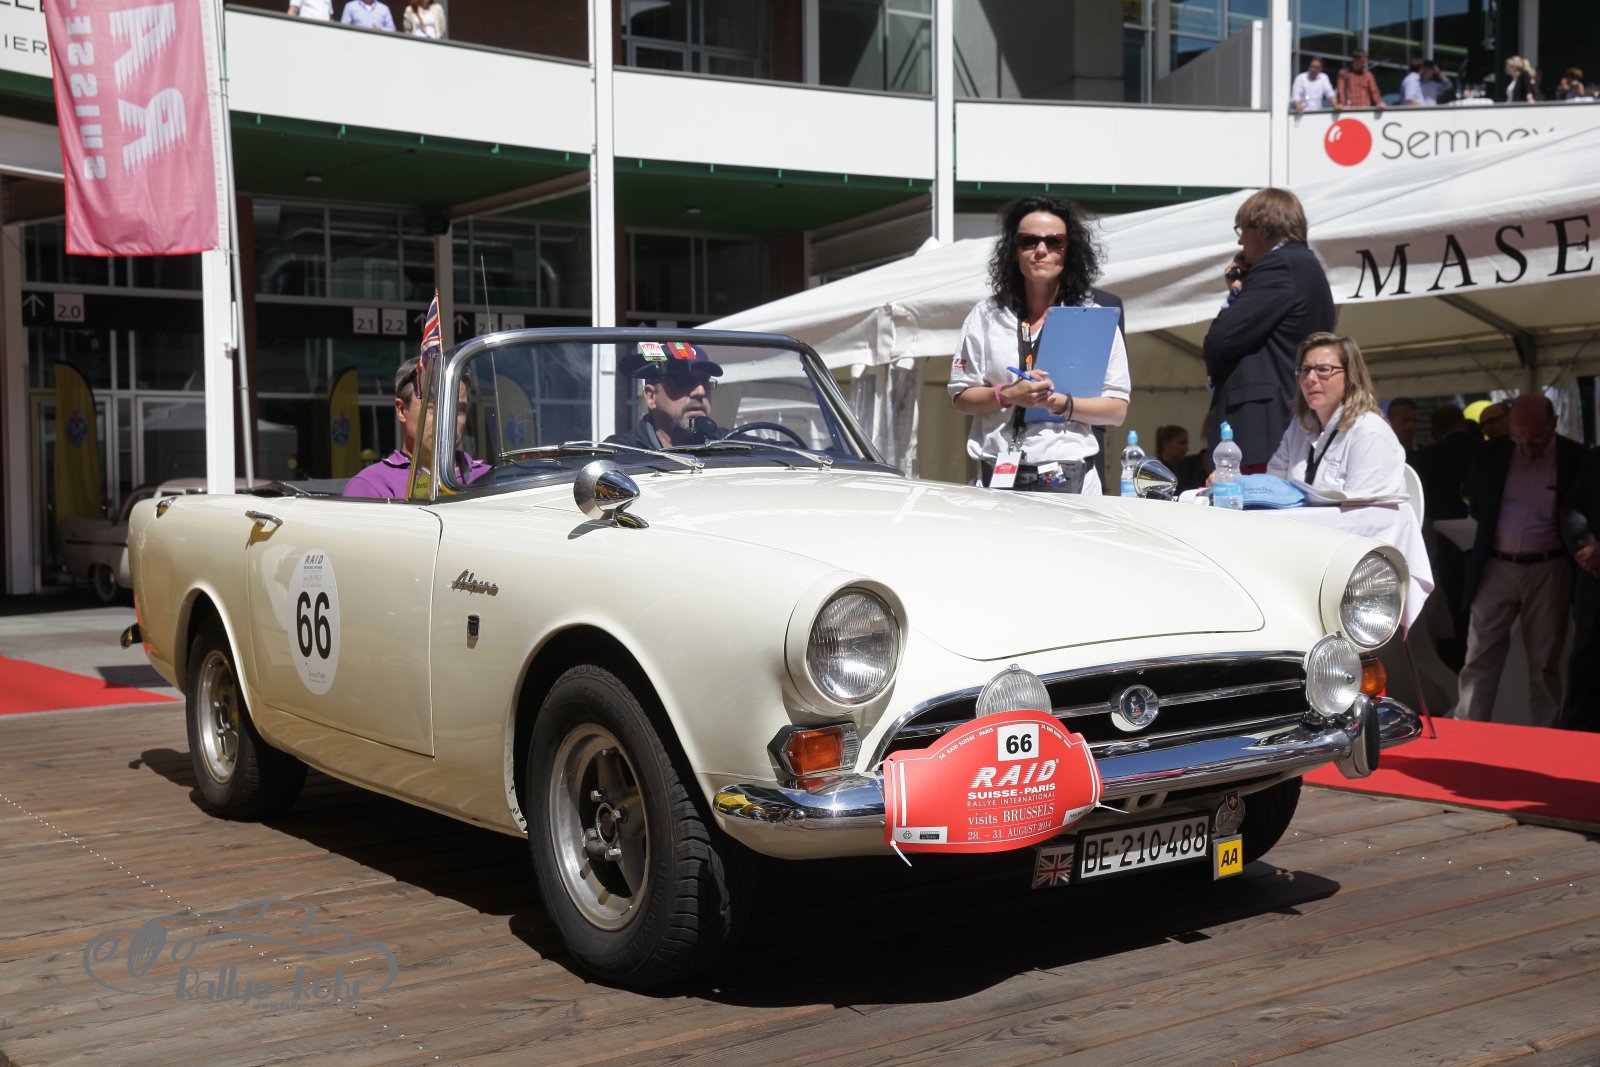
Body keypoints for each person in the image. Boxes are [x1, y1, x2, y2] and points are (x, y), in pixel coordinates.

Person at [949, 195, 1130, 495]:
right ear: (1014, 250)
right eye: (1029, 241)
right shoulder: (986, 315)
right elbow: (961, 398)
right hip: (998, 476)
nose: (1041, 250)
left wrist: (1056, 403)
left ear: (1069, 250)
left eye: (1054, 242)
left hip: (1069, 478)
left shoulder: (1094, 317)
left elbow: (1116, 410)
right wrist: (1008, 394)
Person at [1455, 394, 1584, 725]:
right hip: (1496, 566)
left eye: (1536, 440)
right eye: (1519, 439)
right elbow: (1478, 504)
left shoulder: (1574, 456)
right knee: (1479, 657)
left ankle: (1546, 739)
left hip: (1550, 568)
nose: (1526, 448)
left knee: (1546, 663)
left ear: (1554, 424)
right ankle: (1468, 733)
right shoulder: (1492, 453)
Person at [1201, 187, 1336, 472]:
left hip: (1261, 428)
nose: (1239, 241)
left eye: (1242, 230)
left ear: (1261, 229)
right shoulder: (1306, 265)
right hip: (1284, 419)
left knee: (1253, 498)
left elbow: (1221, 340)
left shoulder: (1279, 265)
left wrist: (1236, 293)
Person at [1265, 334, 1406, 500]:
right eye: (1305, 369)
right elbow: (1271, 489)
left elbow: (1361, 510)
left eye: (1323, 369)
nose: (1310, 378)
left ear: (1350, 377)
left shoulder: (1369, 432)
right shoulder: (1298, 427)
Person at [344, 358, 489, 498]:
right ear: (402, 410)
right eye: (433, 407)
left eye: (458, 409)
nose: (447, 419)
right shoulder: (370, 487)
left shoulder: (490, 479)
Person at [1415, 403, 1480, 669]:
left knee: (1454, 601)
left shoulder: (1427, 455)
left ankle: (1460, 659)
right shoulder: (1482, 448)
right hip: (1486, 541)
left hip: (1445, 539)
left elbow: (1426, 502)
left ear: (1435, 429)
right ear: (1462, 422)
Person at [608, 341, 725, 450]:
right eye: (683, 382)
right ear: (651, 397)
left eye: (705, 382)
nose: (700, 391)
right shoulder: (620, 454)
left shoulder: (731, 444)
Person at [1560, 448, 1600, 731]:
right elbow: (1571, 507)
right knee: (1586, 664)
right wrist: (1586, 550)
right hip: (1594, 582)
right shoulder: (1595, 459)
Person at [1155, 424, 1207, 492]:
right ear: (1166, 444)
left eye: (1187, 443)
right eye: (1182, 443)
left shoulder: (1185, 469)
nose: (1186, 448)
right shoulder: (1156, 470)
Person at [1387, 396, 1419, 461]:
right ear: (1390, 421)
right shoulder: (1381, 452)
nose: (1411, 426)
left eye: (1414, 421)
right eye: (1405, 420)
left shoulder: (1423, 454)